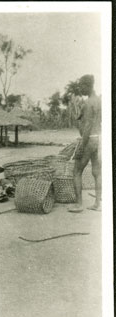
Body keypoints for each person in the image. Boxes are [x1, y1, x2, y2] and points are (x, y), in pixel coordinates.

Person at [68, 74, 101, 213]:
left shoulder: (88, 103)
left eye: (82, 86)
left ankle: (79, 205)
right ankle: (97, 203)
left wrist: (82, 144)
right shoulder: (98, 100)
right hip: (98, 138)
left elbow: (87, 126)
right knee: (97, 172)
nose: (80, 89)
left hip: (89, 139)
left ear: (88, 86)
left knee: (76, 171)